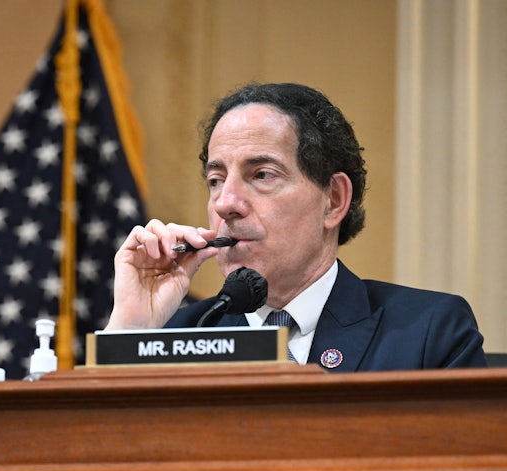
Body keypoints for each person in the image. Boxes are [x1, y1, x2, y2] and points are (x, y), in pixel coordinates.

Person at [106, 82, 486, 372]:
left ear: (334, 199)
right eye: (216, 180)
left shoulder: (427, 333)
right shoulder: (174, 336)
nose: (225, 204)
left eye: (262, 174)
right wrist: (130, 330)